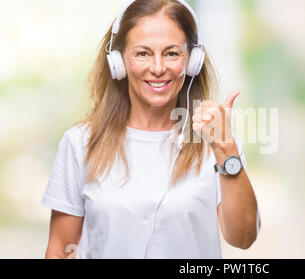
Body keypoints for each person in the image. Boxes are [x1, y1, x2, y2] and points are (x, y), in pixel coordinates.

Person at [41, 0, 261, 259]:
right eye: (143, 53)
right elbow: (60, 250)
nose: (157, 68)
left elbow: (243, 237)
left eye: (171, 53)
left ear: (193, 60)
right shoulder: (79, 143)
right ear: (119, 60)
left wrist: (226, 149)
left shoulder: (218, 143)